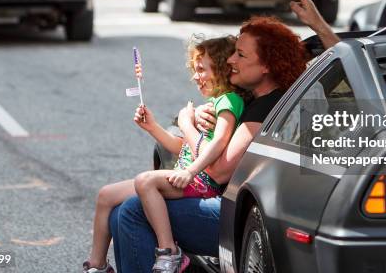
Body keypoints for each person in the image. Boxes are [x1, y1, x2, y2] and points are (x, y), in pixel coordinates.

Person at [108, 16, 310, 272]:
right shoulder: (250, 96)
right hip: (231, 203)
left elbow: (218, 171)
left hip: (240, 216)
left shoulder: (267, 107)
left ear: (266, 66)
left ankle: (169, 255)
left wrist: (187, 124)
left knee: (132, 211)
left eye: (241, 55)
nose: (230, 60)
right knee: (119, 211)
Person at [82, 36, 244, 273]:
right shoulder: (213, 104)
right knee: (106, 196)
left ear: (221, 67)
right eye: (194, 70)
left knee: (145, 182)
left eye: (201, 69)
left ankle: (169, 251)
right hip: (188, 175)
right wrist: (153, 127)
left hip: (200, 181)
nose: (195, 76)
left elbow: (220, 141)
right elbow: (184, 148)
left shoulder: (229, 101)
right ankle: (96, 266)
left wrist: (190, 170)